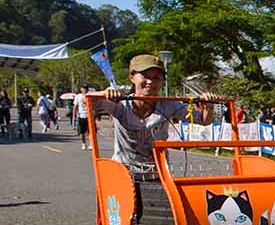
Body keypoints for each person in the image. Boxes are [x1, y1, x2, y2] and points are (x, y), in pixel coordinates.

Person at [92, 54, 220, 175]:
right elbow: (90, 102)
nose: (150, 82)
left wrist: (208, 106)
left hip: (157, 173)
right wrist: (104, 93)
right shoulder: (120, 105)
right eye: (145, 76)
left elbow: (203, 120)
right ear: (132, 77)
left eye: (156, 78)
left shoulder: (169, 105)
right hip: (123, 174)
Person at [72, 85, 90, 150]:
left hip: (89, 116)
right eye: (84, 88)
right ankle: (83, 144)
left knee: (90, 131)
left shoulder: (90, 95)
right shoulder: (78, 96)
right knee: (82, 132)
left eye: (86, 88)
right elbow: (75, 106)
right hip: (81, 116)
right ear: (81, 89)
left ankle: (91, 144)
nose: (85, 89)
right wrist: (74, 117)